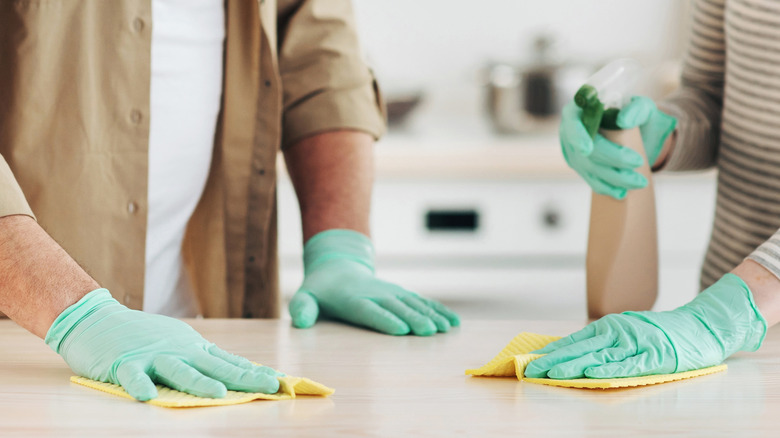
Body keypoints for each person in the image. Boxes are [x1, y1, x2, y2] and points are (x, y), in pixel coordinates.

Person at [0, 0, 458, 401]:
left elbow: (321, 55)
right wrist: (76, 316)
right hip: (23, 347)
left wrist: (340, 248)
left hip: (198, 331)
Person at [525, 0, 780, 380]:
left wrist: (730, 312)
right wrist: (660, 135)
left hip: (728, 319)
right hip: (724, 348)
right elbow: (711, 96)